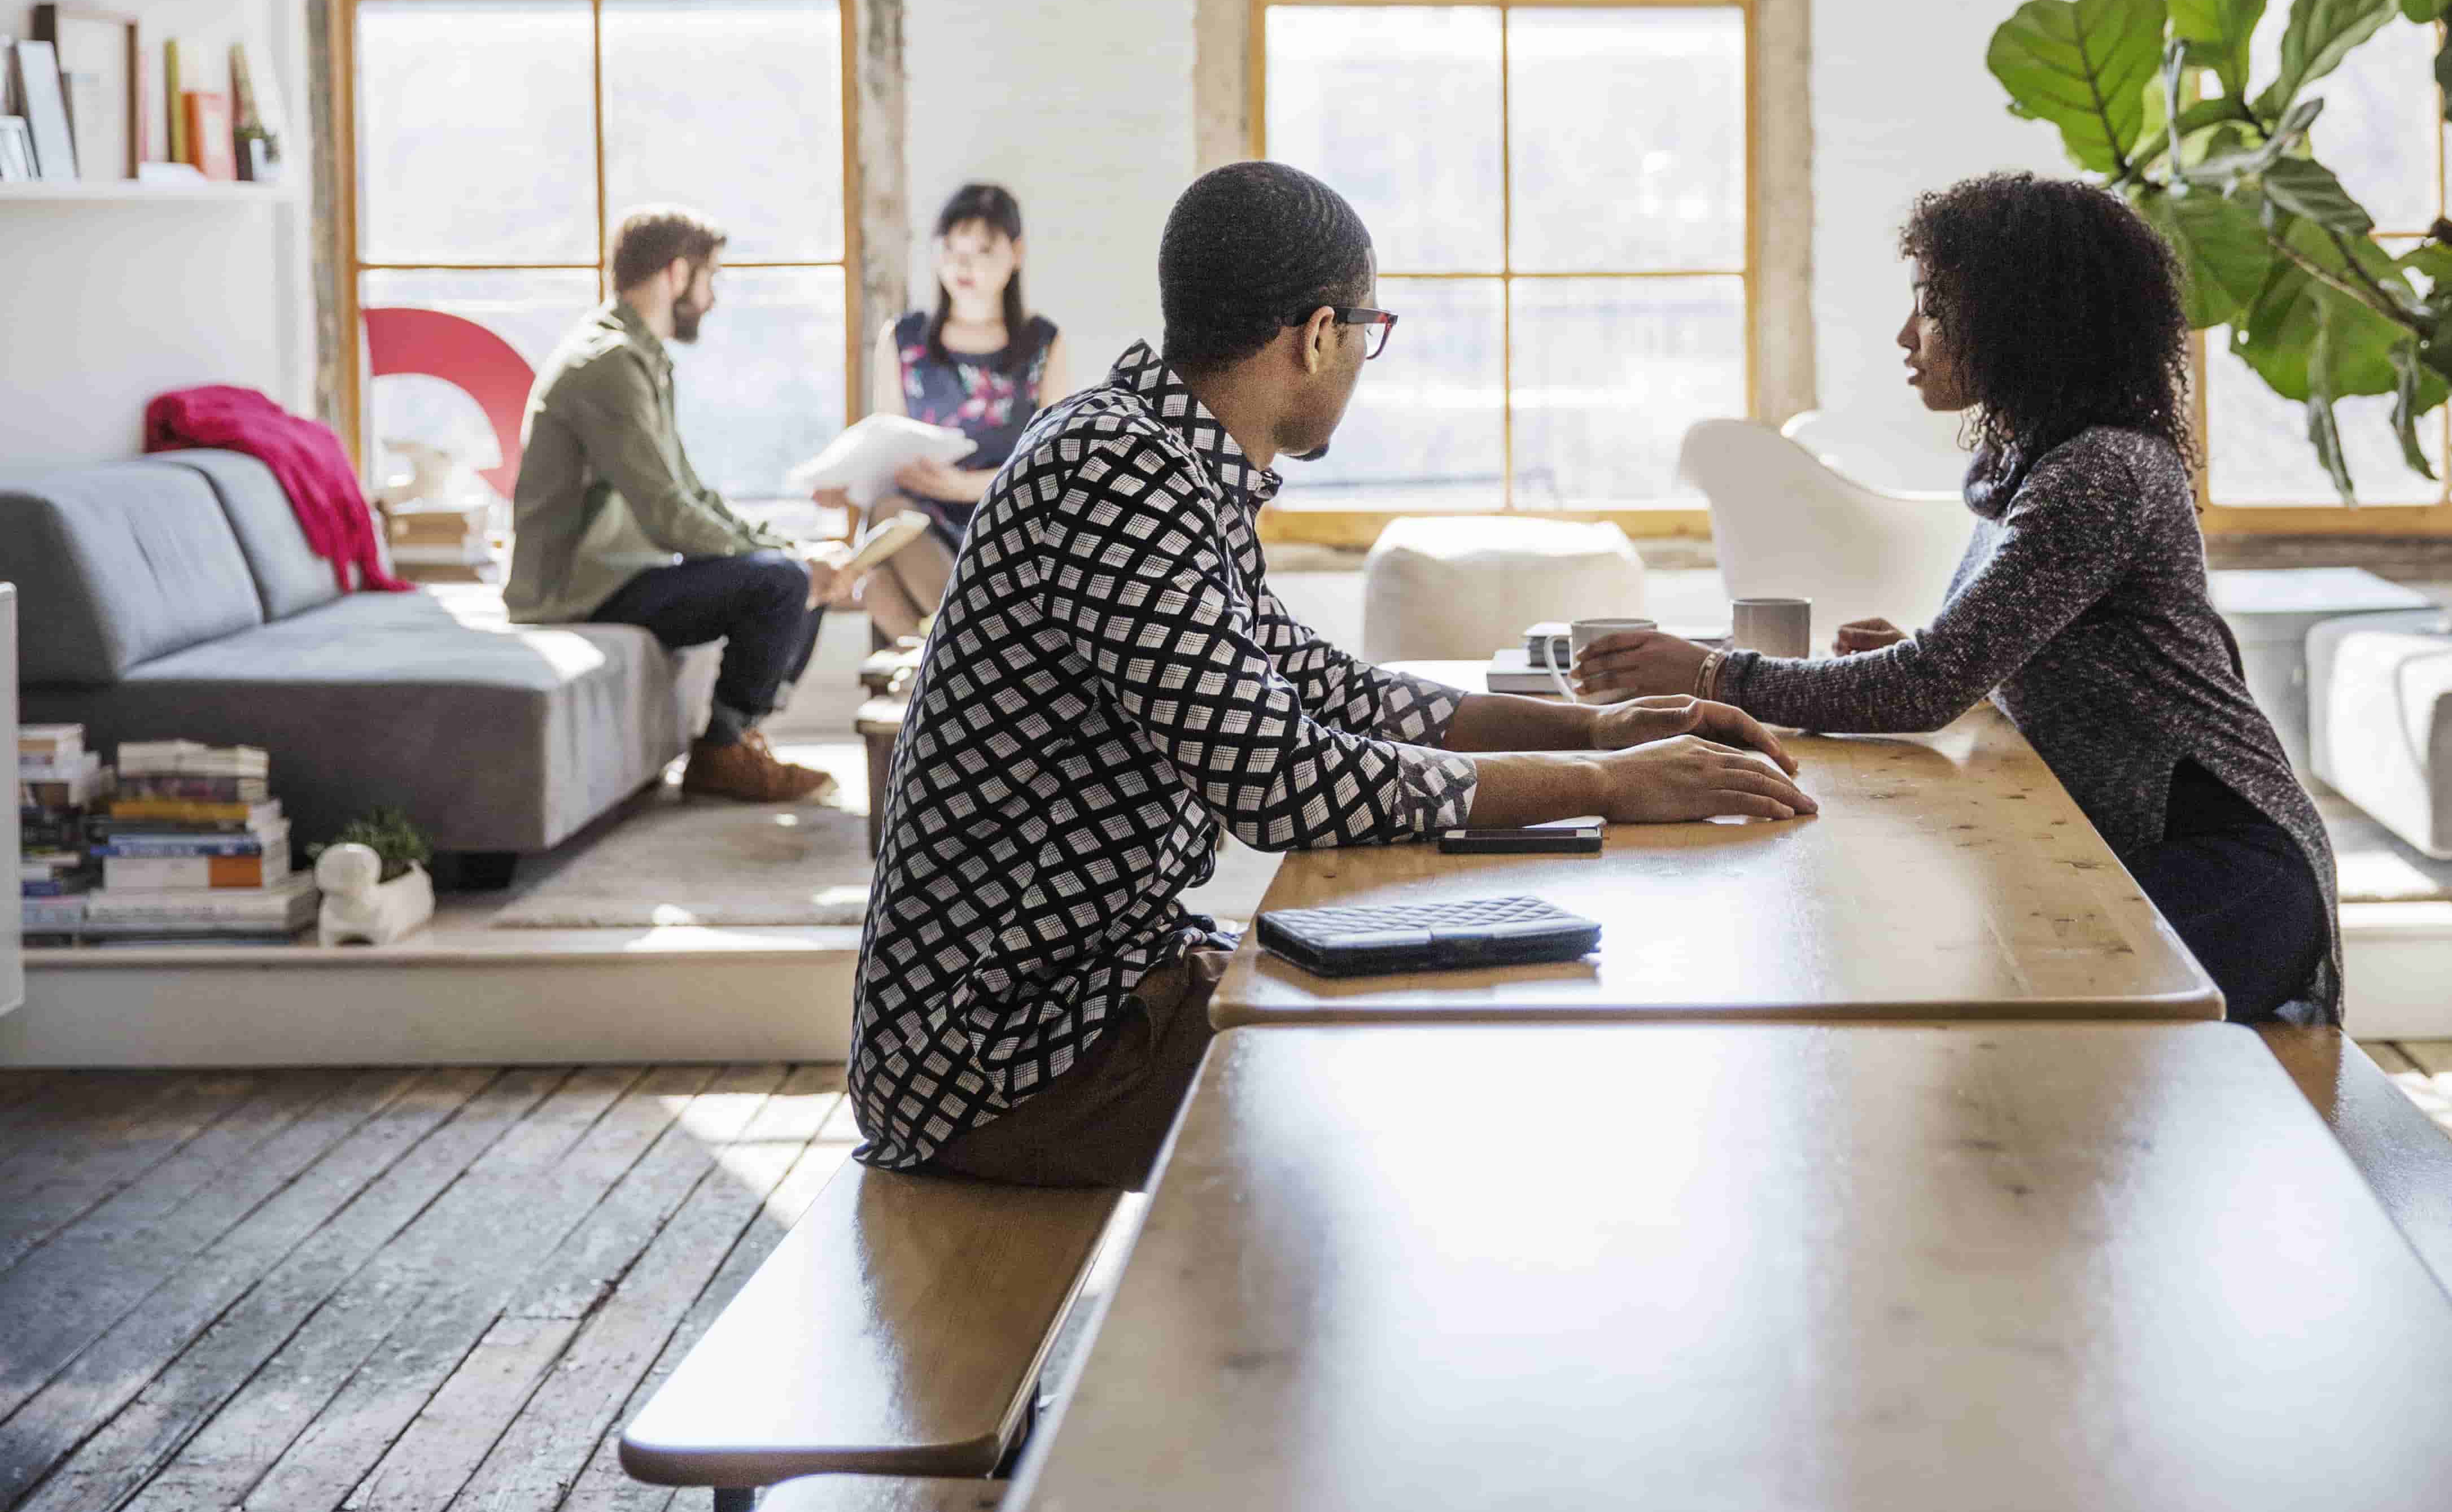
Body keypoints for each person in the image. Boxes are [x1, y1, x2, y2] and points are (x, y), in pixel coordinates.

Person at [847, 160, 1815, 1186]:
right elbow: (1281, 778)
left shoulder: (1156, 457)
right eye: (1367, 330)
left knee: (1462, 1027)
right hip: (1003, 1056)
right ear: (1318, 335)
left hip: (1098, 992)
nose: (1362, 355)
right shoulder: (1116, 474)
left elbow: (1324, 686)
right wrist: (1611, 788)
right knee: (1436, 1108)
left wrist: (1589, 731)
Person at [1575, 171, 2339, 1024]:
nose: (1909, 335)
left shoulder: (2098, 473)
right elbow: (1969, 666)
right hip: (2146, 850)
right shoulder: (2029, 467)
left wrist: (1717, 674)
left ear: (2024, 319)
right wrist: (1931, 656)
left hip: (2229, 872)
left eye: (1933, 308)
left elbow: (1925, 688)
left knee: (1993, 1001)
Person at [506, 208, 860, 804]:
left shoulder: (636, 358)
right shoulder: (609, 365)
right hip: (579, 589)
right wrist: (786, 565)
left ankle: (738, 740)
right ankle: (723, 751)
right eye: (709, 278)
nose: (713, 298)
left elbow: (691, 493)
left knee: (795, 570)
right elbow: (666, 514)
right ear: (676, 273)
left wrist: (790, 549)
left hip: (622, 572)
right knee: (780, 583)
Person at [846, 182, 1073, 640]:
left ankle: (956, 656)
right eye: (951, 248)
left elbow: (1052, 469)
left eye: (982, 250)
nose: (962, 264)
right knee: (882, 539)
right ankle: (972, 654)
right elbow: (886, 448)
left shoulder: (1042, 343)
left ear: (1016, 253)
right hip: (920, 519)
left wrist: (966, 486)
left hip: (1005, 525)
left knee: (880, 583)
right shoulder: (904, 338)